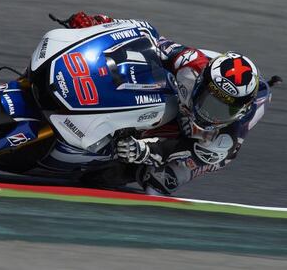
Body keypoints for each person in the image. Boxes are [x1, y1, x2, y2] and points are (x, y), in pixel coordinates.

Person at [66, 12, 263, 195]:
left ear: (240, 111)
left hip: (197, 150)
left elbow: (175, 150)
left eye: (222, 109)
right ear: (201, 82)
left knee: (156, 183)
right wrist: (99, 24)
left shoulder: (223, 142)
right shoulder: (191, 63)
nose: (210, 113)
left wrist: (143, 151)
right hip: (179, 98)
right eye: (209, 101)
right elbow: (147, 37)